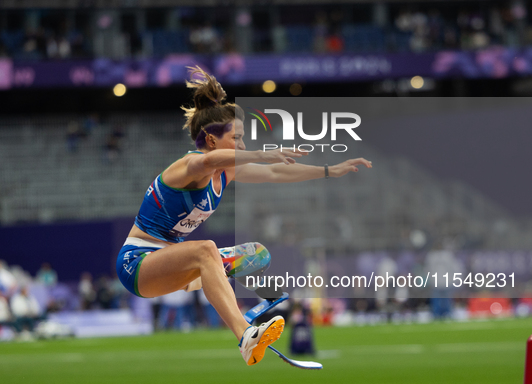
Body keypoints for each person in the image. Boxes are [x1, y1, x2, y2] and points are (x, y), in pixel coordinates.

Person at [115, 66, 372, 366]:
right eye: (237, 138)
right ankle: (245, 336)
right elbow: (212, 160)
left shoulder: (226, 172)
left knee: (256, 255)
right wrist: (262, 153)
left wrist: (330, 170)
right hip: (137, 263)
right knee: (206, 249)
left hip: (169, 267)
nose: (243, 145)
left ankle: (252, 293)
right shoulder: (188, 166)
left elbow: (276, 171)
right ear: (211, 139)